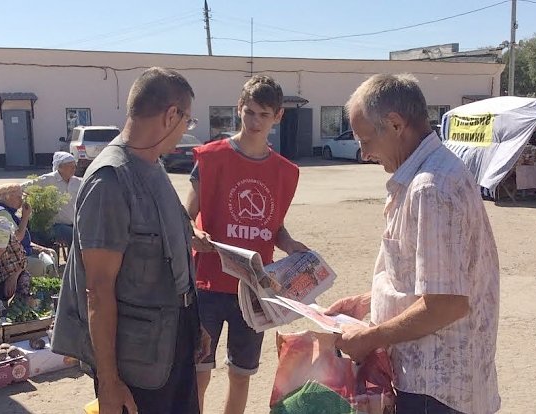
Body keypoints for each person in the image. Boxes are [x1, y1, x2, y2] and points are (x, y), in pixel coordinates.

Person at [326, 74, 500, 414]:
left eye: (365, 140)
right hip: (435, 386)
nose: (363, 154)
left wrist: (369, 338)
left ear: (394, 125)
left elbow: (446, 304)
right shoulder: (432, 174)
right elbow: (426, 280)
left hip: (435, 390)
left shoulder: (430, 189)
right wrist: (367, 302)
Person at [51, 67, 210, 414]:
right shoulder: (110, 181)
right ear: (172, 115)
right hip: (137, 363)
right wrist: (108, 381)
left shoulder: (152, 165)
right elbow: (98, 289)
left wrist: (192, 322)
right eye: (188, 122)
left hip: (172, 340)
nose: (186, 131)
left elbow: (169, 250)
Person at [186, 75, 307, 414]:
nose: (255, 122)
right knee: (199, 373)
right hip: (207, 283)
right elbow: (185, 214)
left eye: (264, 115)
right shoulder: (211, 158)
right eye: (249, 112)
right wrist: (193, 234)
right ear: (239, 109)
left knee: (241, 375)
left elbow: (273, 224)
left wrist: (289, 243)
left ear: (278, 116)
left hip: (254, 289)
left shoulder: (284, 171)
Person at [0, 183, 58, 277]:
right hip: (6, 258)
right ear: (8, 197)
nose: (22, 200)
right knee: (39, 264)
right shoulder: (1, 213)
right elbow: (17, 238)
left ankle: (54, 288)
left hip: (19, 253)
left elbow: (24, 240)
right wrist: (25, 217)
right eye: (19, 197)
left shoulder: (9, 212)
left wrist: (40, 248)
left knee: (50, 252)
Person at [22, 151, 81, 246]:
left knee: (85, 235)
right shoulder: (48, 180)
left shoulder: (77, 182)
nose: (73, 169)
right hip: (55, 225)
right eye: (70, 166)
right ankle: (73, 260)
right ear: (60, 167)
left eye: (74, 166)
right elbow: (23, 188)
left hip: (74, 223)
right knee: (73, 236)